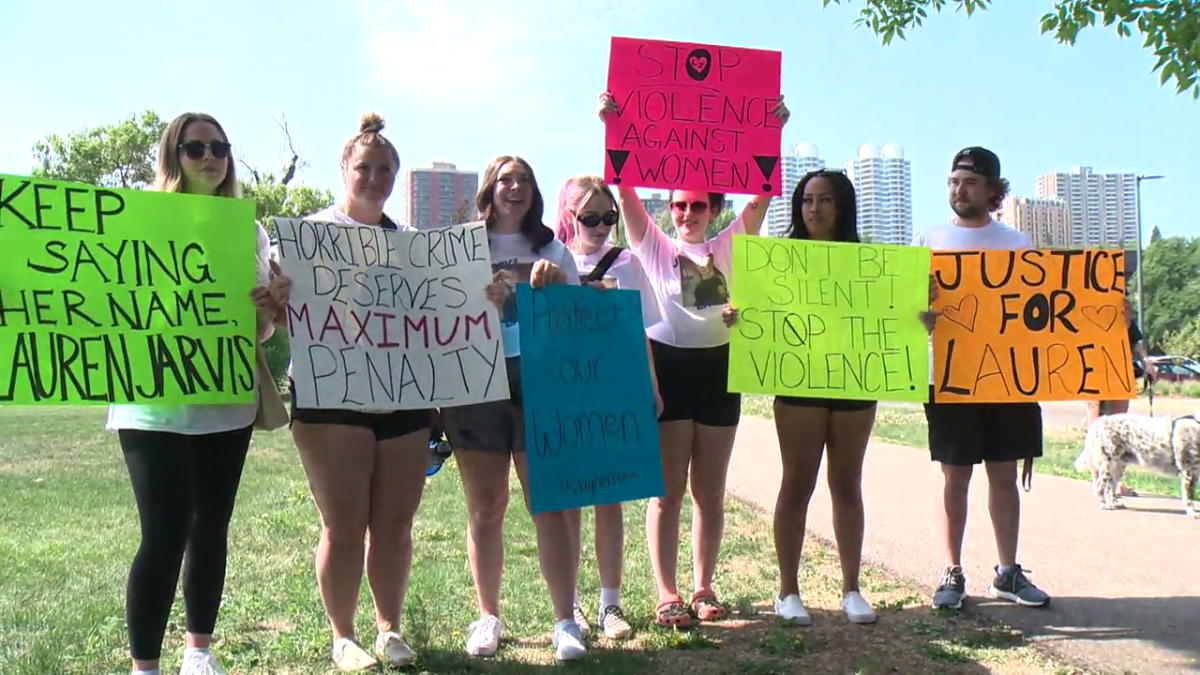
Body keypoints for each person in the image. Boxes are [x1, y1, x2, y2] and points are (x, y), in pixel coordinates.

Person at [596, 91, 790, 628]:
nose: (686, 213)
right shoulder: (653, 245)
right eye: (679, 205)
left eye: (698, 205)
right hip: (668, 370)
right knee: (668, 490)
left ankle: (704, 588)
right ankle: (667, 592)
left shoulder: (730, 243)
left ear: (714, 209)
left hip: (720, 371)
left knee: (709, 491)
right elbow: (624, 189)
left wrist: (771, 130)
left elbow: (763, 192)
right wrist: (613, 124)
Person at [105, 112, 286, 675]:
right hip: (151, 403)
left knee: (211, 526)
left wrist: (268, 312)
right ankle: (145, 666)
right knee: (164, 530)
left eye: (220, 147)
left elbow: (257, 330)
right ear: (173, 155)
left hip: (225, 401)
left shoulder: (248, 230)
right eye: (196, 147)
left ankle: (199, 652)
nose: (210, 156)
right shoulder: (138, 221)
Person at [284, 113, 432, 671]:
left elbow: (445, 314)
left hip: (404, 401)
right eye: (364, 167)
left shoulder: (414, 246)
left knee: (394, 525)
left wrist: (481, 295)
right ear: (343, 169)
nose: (374, 178)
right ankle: (343, 636)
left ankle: (388, 629)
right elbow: (285, 310)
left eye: (385, 169)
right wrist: (278, 296)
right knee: (343, 524)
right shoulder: (308, 237)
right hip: (330, 402)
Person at [438, 155, 589, 661]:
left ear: (535, 191)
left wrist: (561, 288)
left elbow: (580, 323)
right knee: (485, 508)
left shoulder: (554, 250)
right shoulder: (460, 247)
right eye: (506, 179)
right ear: (489, 190)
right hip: (474, 385)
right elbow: (438, 310)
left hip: (540, 381)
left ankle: (565, 620)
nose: (515, 186)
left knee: (548, 502)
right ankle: (488, 616)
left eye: (524, 179)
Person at [915, 147, 1050, 610]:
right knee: (954, 476)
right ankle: (952, 572)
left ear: (994, 190)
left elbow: (1044, 315)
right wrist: (922, 315)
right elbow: (909, 318)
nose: (959, 189)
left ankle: (1007, 572)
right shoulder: (928, 239)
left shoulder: (1018, 244)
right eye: (953, 181)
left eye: (969, 182)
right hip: (949, 376)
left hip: (1008, 379)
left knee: (1004, 475)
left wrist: (1114, 313)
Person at [760, 170, 881, 625]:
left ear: (842, 206)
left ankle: (851, 589)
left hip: (854, 381)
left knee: (847, 484)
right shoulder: (779, 260)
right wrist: (739, 314)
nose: (815, 208)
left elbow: (891, 316)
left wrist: (918, 317)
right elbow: (760, 313)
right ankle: (788, 592)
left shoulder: (869, 261)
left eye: (825, 199)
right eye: (807, 199)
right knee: (797, 484)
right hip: (798, 381)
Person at [552, 175, 665, 640]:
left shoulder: (629, 262)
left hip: (615, 388)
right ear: (569, 218)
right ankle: (572, 603)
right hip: (565, 391)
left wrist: (651, 386)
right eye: (589, 218)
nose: (600, 227)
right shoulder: (550, 261)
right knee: (571, 502)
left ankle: (611, 604)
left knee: (610, 499)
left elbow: (642, 330)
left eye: (608, 218)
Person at [1082, 294, 1157, 495]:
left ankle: (1115, 481)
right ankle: (1097, 478)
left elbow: (1136, 341)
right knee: (1095, 426)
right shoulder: (1086, 305)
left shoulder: (1120, 304)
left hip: (1120, 372)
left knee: (1119, 427)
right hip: (1092, 370)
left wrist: (1147, 362)